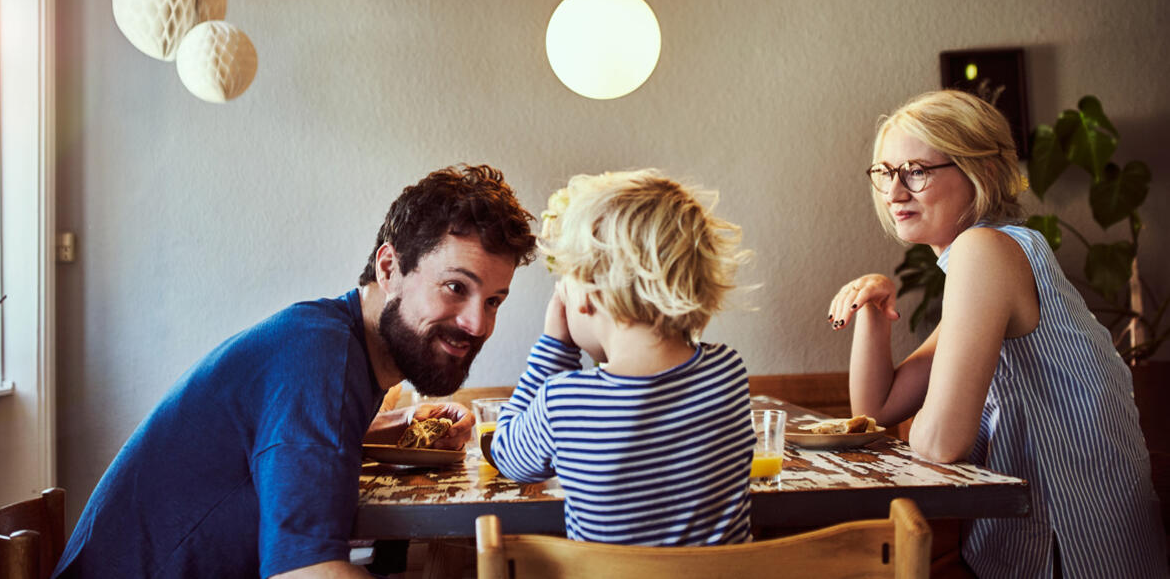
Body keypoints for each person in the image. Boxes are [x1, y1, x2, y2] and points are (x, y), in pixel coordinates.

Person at [54, 164, 536, 579]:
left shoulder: (328, 340)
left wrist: (390, 428)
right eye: (455, 287)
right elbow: (304, 571)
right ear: (389, 268)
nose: (478, 323)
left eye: (494, 301)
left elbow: (271, 447)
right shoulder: (321, 358)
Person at [828, 90, 1165, 578]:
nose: (895, 191)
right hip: (1043, 545)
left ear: (978, 171)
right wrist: (875, 307)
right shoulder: (995, 255)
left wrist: (932, 421)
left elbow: (942, 442)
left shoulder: (985, 252)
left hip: (1073, 551)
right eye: (885, 172)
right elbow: (875, 410)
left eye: (916, 171)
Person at [491, 168, 754, 546]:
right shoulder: (727, 373)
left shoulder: (564, 402)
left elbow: (508, 456)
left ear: (588, 295)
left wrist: (556, 345)